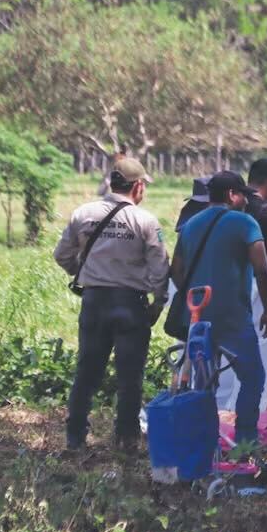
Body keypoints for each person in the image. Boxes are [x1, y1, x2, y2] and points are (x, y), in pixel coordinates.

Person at [54, 156, 170, 452]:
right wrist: (159, 302)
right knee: (130, 376)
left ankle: (75, 437)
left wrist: (86, 273)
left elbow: (62, 255)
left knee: (87, 371)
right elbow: (159, 268)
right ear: (138, 186)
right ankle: (127, 438)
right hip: (130, 305)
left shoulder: (83, 213)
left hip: (93, 303)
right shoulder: (146, 221)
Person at [169, 171, 267, 446]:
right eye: (243, 196)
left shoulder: (190, 225)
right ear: (232, 195)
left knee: (203, 384)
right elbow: (263, 270)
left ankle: (203, 444)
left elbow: (176, 270)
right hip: (232, 318)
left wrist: (195, 290)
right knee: (253, 377)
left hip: (197, 317)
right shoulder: (244, 223)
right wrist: (266, 309)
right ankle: (245, 443)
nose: (246, 202)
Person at [213, 159, 267, 413]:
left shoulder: (229, 206)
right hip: (257, 290)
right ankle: (248, 417)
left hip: (224, 285)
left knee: (225, 354)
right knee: (259, 355)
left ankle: (220, 412)